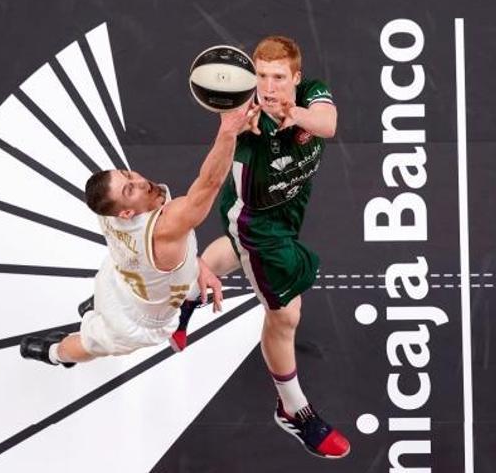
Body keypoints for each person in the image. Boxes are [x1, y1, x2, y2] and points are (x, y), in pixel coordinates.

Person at [173, 36, 351, 459]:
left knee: (234, 255)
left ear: (296, 77)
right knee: (286, 313)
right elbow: (214, 170)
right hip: (255, 220)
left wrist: (294, 114)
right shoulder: (246, 115)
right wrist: (231, 132)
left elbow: (328, 125)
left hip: (289, 206)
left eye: (277, 78)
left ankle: (186, 289)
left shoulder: (310, 94)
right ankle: (292, 409)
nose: (268, 88)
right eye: (260, 77)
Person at [19, 102, 255, 366]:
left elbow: (171, 245)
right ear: (126, 214)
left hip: (117, 275)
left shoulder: (106, 211)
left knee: (144, 279)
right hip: (135, 321)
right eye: (129, 190)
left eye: (127, 175)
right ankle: (55, 354)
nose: (141, 182)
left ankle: (95, 307)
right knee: (86, 345)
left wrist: (197, 264)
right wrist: (228, 131)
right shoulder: (165, 227)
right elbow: (209, 184)